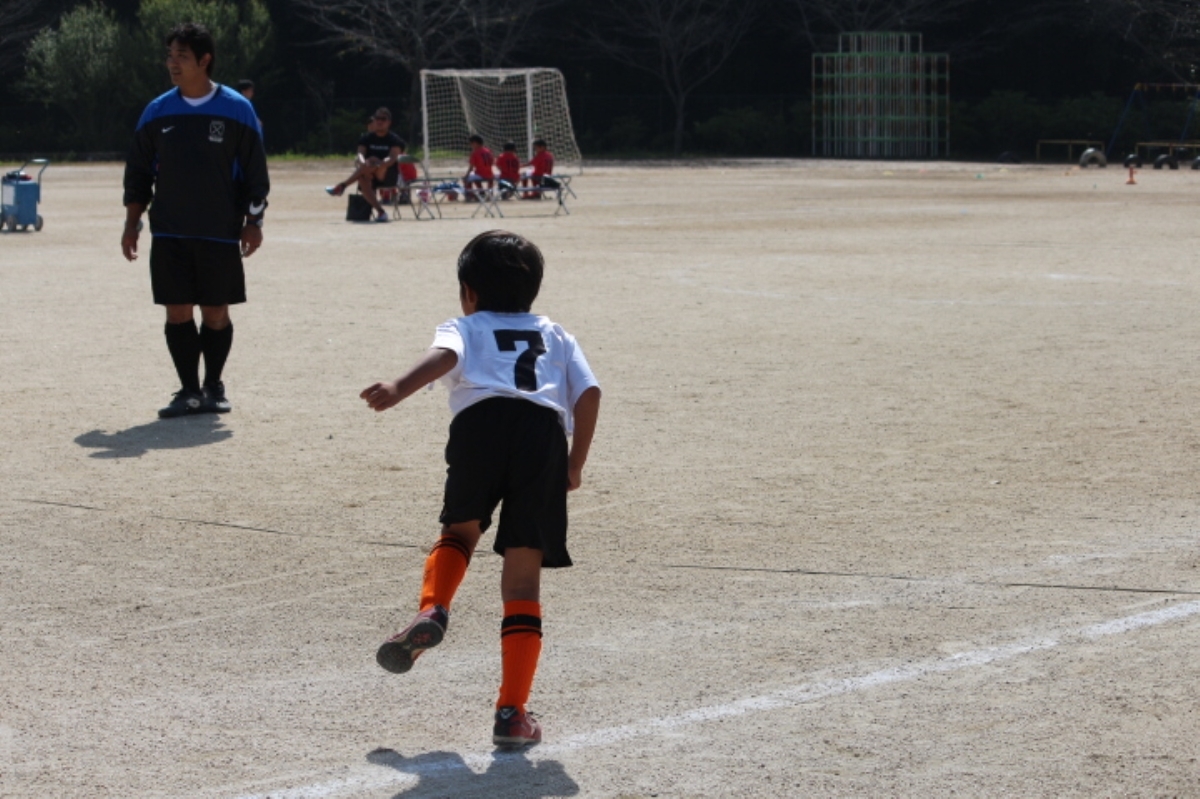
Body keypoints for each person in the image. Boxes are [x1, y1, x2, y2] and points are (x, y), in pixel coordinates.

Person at [360, 230, 602, 748]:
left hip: (480, 427)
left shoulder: (465, 326)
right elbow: (589, 394)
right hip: (541, 436)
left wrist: (399, 387)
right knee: (522, 582)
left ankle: (434, 607)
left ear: (468, 292)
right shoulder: (556, 334)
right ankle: (512, 714)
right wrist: (575, 463)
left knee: (460, 531)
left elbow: (443, 358)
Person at [122, 22, 269, 419]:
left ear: (204, 60)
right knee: (177, 310)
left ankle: (213, 386)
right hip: (169, 230)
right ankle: (188, 390)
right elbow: (138, 173)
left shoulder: (236, 108)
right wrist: (132, 224)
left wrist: (253, 221)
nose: (172, 63)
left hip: (219, 230)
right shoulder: (157, 111)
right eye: (170, 56)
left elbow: (255, 173)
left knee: (216, 311)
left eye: (181, 56)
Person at [325, 107, 403, 223]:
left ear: (389, 122)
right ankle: (381, 212)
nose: (379, 121)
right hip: (368, 173)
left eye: (383, 119)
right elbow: (360, 154)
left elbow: (392, 158)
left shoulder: (395, 140)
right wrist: (363, 163)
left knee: (374, 163)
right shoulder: (366, 138)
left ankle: (342, 186)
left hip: (387, 175)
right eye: (377, 118)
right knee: (362, 177)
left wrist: (378, 162)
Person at [463, 134, 495, 202]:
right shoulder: (488, 151)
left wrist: (466, 175)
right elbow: (492, 162)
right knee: (475, 176)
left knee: (467, 179)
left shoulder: (475, 152)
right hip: (490, 174)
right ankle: (488, 194)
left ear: (475, 143)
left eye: (471, 144)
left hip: (481, 174)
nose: (471, 146)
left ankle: (471, 195)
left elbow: (471, 168)